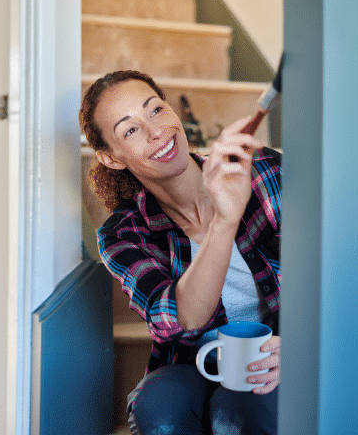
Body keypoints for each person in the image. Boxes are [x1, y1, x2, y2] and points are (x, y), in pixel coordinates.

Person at [79, 70, 281, 435]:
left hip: (275, 354)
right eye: (130, 130)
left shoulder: (264, 172)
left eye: (155, 110)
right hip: (191, 363)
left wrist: (303, 347)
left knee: (237, 411)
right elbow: (181, 319)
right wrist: (224, 220)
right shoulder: (123, 235)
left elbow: (335, 274)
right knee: (157, 408)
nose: (156, 131)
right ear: (112, 158)